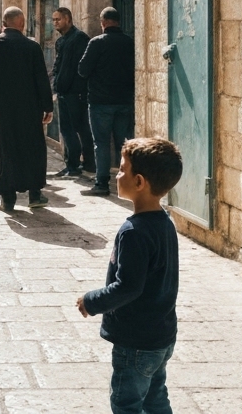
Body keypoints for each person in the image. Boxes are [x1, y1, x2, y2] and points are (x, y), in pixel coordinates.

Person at [76, 137, 183, 414]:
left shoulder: (134, 232)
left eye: (122, 169)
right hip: (161, 335)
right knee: (155, 399)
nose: (117, 174)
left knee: (126, 404)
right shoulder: (164, 223)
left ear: (139, 182)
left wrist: (91, 301)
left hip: (135, 341)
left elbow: (128, 286)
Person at [0, 8, 53, 211]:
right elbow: (41, 79)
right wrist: (47, 106)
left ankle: (7, 198)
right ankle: (35, 193)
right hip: (28, 109)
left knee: (2, 147)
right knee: (32, 148)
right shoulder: (32, 47)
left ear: (3, 23)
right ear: (22, 23)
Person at [78, 6, 136, 195]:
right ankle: (128, 181)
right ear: (118, 21)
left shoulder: (97, 43)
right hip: (124, 101)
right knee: (124, 143)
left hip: (100, 102)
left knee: (101, 143)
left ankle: (102, 183)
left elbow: (83, 70)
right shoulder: (129, 42)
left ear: (102, 23)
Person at [51, 6, 94, 179]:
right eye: (53, 20)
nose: (55, 23)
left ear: (68, 19)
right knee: (67, 129)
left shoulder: (80, 39)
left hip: (75, 92)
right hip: (64, 91)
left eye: (58, 19)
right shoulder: (61, 41)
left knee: (78, 128)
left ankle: (81, 164)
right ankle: (72, 164)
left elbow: (80, 68)